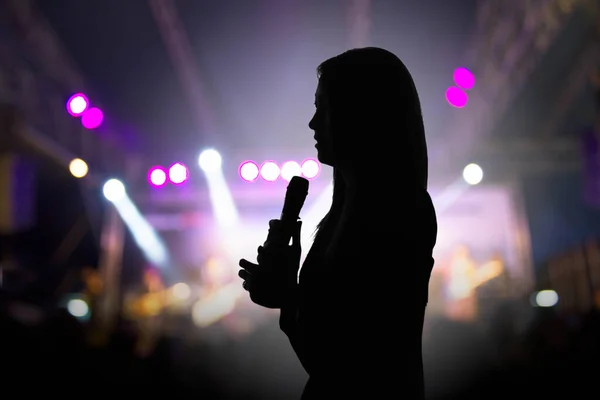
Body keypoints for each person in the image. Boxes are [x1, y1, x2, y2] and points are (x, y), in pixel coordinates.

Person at [239, 47, 437, 399]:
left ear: (360, 112)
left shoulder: (400, 210)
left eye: (323, 108)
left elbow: (354, 365)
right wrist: (289, 296)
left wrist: (289, 297)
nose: (313, 123)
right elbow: (330, 357)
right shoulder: (348, 214)